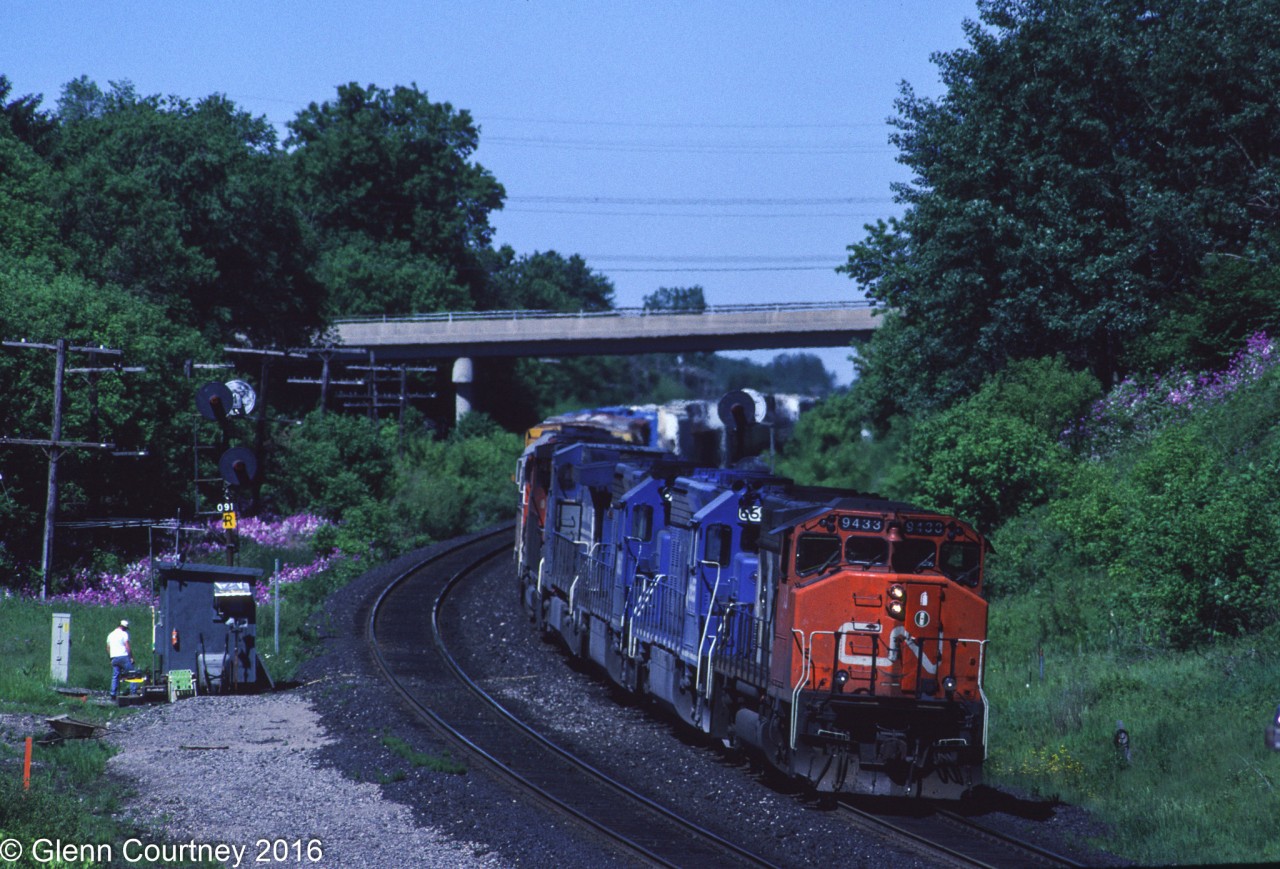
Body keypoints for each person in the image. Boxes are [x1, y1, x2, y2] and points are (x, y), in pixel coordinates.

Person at [107, 619, 133, 699]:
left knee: (115, 675)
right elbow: (127, 646)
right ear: (124, 627)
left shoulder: (110, 634)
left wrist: (111, 657)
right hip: (123, 656)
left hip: (114, 657)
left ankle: (113, 693)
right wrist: (131, 657)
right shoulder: (124, 634)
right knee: (132, 674)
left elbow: (108, 647)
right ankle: (133, 691)